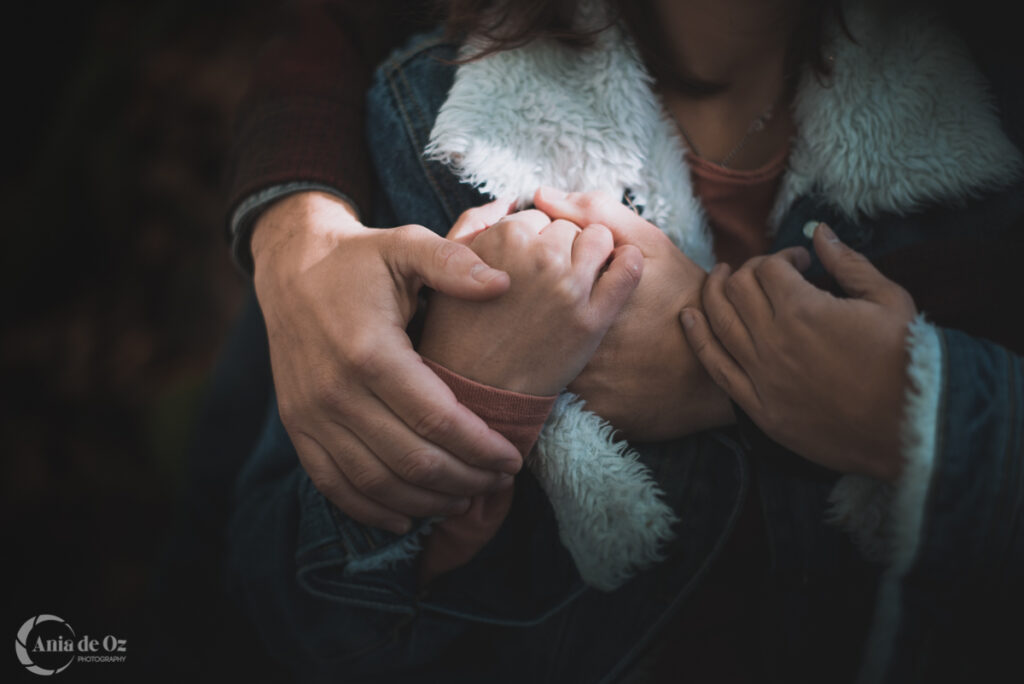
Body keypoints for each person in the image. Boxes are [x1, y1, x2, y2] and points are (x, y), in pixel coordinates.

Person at [221, 0, 1024, 682]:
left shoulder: (992, 144)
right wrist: (463, 399)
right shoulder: (435, 116)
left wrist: (863, 396)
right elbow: (301, 621)